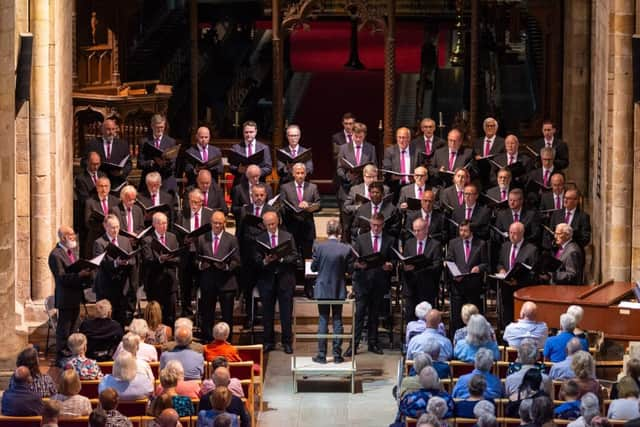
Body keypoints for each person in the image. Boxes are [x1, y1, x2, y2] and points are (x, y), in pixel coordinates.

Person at [346, 212, 395, 357]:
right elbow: (352, 261)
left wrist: (390, 265)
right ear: (370, 224)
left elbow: (395, 260)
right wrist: (357, 265)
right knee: (359, 315)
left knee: (374, 315)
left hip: (379, 282)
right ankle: (353, 345)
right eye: (374, 225)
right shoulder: (361, 240)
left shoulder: (389, 240)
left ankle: (373, 343)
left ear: (383, 225)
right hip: (363, 282)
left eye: (379, 226)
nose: (376, 228)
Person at [254, 211, 299, 354]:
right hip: (266, 280)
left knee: (286, 313)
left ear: (278, 221)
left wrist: (280, 259)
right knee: (267, 313)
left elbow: (294, 256)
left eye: (273, 224)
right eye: (268, 225)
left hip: (285, 279)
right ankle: (268, 341)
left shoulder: (287, 236)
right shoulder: (259, 238)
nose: (271, 227)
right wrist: (265, 261)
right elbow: (255, 259)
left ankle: (287, 342)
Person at [310, 219, 353, 364]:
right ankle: (337, 355)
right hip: (338, 288)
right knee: (337, 320)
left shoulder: (319, 247)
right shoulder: (346, 248)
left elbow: (313, 268)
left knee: (323, 320)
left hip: (322, 289)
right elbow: (349, 270)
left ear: (327, 231)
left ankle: (321, 355)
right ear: (339, 231)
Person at [48, 225, 92, 362]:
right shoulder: (56, 254)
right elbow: (61, 277)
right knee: (64, 330)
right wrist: (79, 275)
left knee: (74, 327)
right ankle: (62, 356)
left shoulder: (71, 252)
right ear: (63, 237)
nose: (74, 237)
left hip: (75, 296)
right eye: (71, 234)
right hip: (65, 297)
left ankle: (72, 353)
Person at [196, 209, 240, 343]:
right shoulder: (202, 238)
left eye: (220, 223)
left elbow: (236, 261)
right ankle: (208, 341)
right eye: (215, 223)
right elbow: (197, 259)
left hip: (226, 283)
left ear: (224, 224)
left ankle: (227, 342)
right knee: (207, 315)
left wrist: (226, 266)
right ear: (211, 223)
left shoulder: (231, 239)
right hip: (208, 282)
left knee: (227, 316)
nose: (217, 226)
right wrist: (200, 265)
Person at [175, 188, 213, 317]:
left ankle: (202, 313)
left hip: (202, 255)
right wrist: (183, 239)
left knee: (203, 285)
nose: (194, 205)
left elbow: (214, 235)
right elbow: (176, 234)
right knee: (185, 285)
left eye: (197, 202)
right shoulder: (182, 214)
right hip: (187, 254)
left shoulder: (209, 215)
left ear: (202, 202)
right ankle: (186, 312)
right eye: (192, 202)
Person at [446, 220, 489, 332]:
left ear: (471, 231)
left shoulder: (481, 244)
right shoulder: (453, 243)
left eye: (465, 230)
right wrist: (454, 274)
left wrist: (479, 268)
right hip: (458, 285)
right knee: (457, 317)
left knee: (473, 317)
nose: (462, 233)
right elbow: (449, 261)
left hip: (473, 286)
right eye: (460, 230)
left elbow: (486, 263)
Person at [93, 214, 136, 326]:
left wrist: (127, 262)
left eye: (117, 227)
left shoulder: (125, 240)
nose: (115, 230)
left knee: (121, 319)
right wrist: (115, 263)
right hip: (107, 287)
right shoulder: (99, 243)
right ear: (105, 226)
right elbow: (100, 263)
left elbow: (133, 260)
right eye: (112, 227)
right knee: (107, 320)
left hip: (122, 287)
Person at [335, 122, 378, 233]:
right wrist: (347, 177)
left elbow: (374, 167)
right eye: (356, 136)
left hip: (365, 189)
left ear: (364, 135)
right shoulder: (343, 148)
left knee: (364, 220)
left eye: (361, 137)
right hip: (347, 188)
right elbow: (339, 169)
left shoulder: (370, 148)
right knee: (346, 225)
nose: (358, 139)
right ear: (352, 134)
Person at [495, 222, 539, 329]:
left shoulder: (531, 249)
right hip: (506, 287)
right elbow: (500, 263)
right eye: (510, 233)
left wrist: (518, 282)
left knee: (521, 317)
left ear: (522, 233)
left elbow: (534, 273)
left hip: (522, 290)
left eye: (514, 233)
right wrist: (501, 270)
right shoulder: (505, 246)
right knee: (507, 316)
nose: (511, 235)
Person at [141, 211, 180, 327]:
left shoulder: (172, 237)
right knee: (155, 315)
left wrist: (167, 259)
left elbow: (177, 258)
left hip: (170, 282)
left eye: (165, 223)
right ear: (154, 224)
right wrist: (160, 260)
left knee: (170, 314)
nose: (163, 226)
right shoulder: (147, 240)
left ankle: (170, 337)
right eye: (160, 223)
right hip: (154, 283)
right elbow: (148, 260)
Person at [401, 217, 443, 313]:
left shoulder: (435, 245)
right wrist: (405, 267)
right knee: (410, 318)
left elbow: (437, 266)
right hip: (411, 287)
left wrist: (419, 267)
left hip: (427, 287)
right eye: (414, 230)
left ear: (426, 230)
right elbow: (405, 261)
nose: (416, 233)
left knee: (427, 318)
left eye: (418, 230)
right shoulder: (409, 243)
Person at [279, 162, 320, 258]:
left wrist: (308, 204)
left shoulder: (313, 187)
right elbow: (282, 205)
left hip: (307, 228)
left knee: (307, 257)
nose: (300, 175)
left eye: (302, 173)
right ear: (293, 174)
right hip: (291, 227)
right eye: (297, 173)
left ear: (306, 174)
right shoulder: (285, 188)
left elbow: (318, 204)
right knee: (292, 257)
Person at [82, 118, 132, 188]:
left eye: (113, 129)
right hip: (98, 183)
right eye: (108, 129)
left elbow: (129, 164)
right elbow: (84, 162)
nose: (111, 132)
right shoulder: (92, 144)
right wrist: (95, 169)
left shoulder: (123, 144)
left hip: (117, 183)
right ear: (102, 130)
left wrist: (122, 172)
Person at [137, 114, 178, 193]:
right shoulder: (144, 142)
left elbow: (173, 165)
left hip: (166, 180)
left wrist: (164, 163)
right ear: (152, 126)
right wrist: (151, 163)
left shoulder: (171, 142)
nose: (159, 130)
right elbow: (140, 163)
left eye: (162, 127)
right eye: (157, 127)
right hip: (149, 181)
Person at [83, 176, 119, 258]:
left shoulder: (116, 201)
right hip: (96, 237)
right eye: (101, 186)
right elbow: (87, 223)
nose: (104, 189)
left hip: (112, 238)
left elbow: (118, 219)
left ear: (109, 188)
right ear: (96, 188)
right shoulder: (90, 202)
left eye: (106, 186)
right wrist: (105, 226)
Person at [229, 120, 272, 185]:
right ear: (243, 133)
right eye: (246, 132)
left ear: (256, 132)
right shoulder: (236, 148)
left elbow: (268, 168)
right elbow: (231, 167)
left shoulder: (264, 148)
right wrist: (238, 169)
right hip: (241, 184)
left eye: (251, 132)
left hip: (258, 184)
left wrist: (256, 172)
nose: (248, 135)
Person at [382, 127, 417, 199]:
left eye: (404, 138)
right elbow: (386, 169)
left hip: (411, 186)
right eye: (399, 137)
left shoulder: (416, 151)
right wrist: (393, 176)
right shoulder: (389, 151)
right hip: (395, 187)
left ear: (409, 138)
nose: (401, 140)